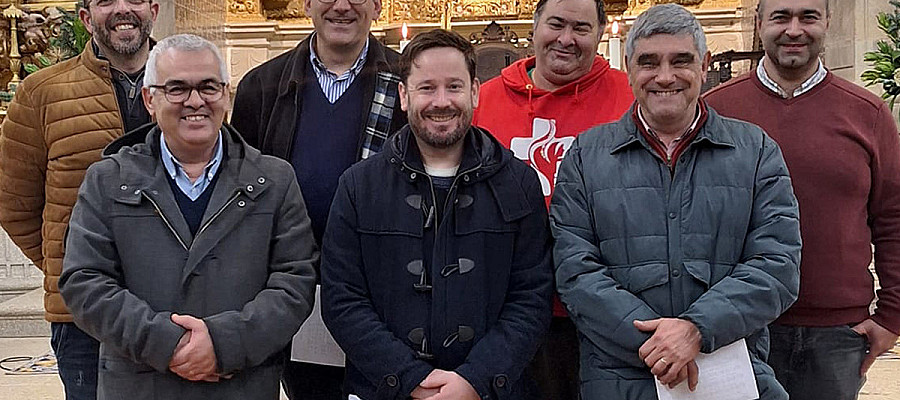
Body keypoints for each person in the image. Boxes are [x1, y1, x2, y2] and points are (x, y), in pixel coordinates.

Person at [551, 4, 801, 398]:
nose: (665, 76)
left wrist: (697, 329)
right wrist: (660, 347)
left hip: (729, 372)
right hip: (620, 381)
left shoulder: (755, 152)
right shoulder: (586, 156)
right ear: (629, 69)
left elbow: (777, 265)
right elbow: (575, 271)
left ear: (704, 66)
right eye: (648, 62)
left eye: (680, 61)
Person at [57, 34, 318, 400]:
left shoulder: (274, 180)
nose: (195, 101)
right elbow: (84, 281)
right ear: (150, 99)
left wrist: (223, 345)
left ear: (226, 95)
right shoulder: (108, 180)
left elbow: (296, 281)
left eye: (208, 87)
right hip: (140, 385)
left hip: (240, 385)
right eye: (177, 88)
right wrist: (168, 344)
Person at [321, 29, 553, 400]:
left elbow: (532, 297)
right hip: (385, 390)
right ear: (403, 95)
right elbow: (342, 299)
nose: (441, 102)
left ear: (474, 92)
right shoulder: (358, 186)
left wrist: (475, 380)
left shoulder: (519, 183)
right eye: (427, 88)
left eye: (454, 87)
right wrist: (410, 378)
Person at [704, 0, 900, 398]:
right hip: (740, 327)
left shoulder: (867, 114)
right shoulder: (717, 111)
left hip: (837, 336)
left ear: (827, 21)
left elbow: (893, 218)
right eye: (781, 16)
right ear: (760, 22)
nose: (794, 29)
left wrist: (892, 316)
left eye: (808, 16)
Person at [231, 0, 407, 394]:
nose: (341, 6)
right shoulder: (262, 87)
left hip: (385, 292)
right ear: (307, 4)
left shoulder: (408, 83)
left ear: (378, 6)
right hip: (297, 289)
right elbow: (239, 203)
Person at [472, 0, 632, 397]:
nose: (566, 39)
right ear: (534, 27)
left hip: (608, 310)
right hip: (508, 311)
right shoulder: (484, 101)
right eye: (556, 24)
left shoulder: (630, 97)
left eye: (581, 28)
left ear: (600, 34)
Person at [0, 0, 158, 397]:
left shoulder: (189, 85)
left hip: (174, 303)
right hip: (83, 316)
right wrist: (72, 267)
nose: (122, 9)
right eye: (106, 1)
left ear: (154, 9)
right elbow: (13, 202)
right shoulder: (42, 92)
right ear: (86, 18)